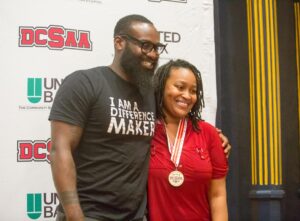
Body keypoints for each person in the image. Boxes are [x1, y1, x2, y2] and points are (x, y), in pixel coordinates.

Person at [49, 14, 230, 221]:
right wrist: (74, 216)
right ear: (119, 42)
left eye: (156, 48)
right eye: (145, 46)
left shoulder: (150, 93)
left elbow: (177, 114)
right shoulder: (84, 83)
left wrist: (214, 137)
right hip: (89, 214)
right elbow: (60, 150)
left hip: (135, 217)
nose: (152, 54)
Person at [147, 59, 228, 221]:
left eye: (193, 91)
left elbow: (217, 195)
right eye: (180, 87)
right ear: (161, 87)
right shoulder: (144, 131)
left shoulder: (209, 133)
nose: (187, 96)